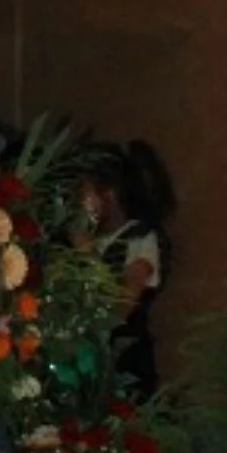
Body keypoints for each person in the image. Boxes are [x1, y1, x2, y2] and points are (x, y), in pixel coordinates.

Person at [78, 141, 175, 401]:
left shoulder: (140, 238)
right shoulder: (95, 240)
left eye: (86, 193)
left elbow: (123, 303)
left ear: (109, 193)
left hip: (125, 357)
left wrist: (88, 257)